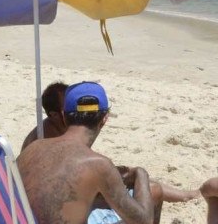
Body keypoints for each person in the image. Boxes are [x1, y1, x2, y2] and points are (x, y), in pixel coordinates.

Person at [21, 82, 199, 206]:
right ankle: (185, 195)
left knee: (121, 174)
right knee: (149, 188)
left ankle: (184, 194)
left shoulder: (51, 138)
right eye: (68, 108)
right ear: (54, 115)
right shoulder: (44, 139)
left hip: (50, 201)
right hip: (65, 201)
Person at [17, 82, 157, 224]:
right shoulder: (98, 164)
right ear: (104, 119)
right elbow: (144, 221)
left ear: (64, 116)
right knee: (153, 193)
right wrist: (141, 173)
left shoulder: (32, 148)